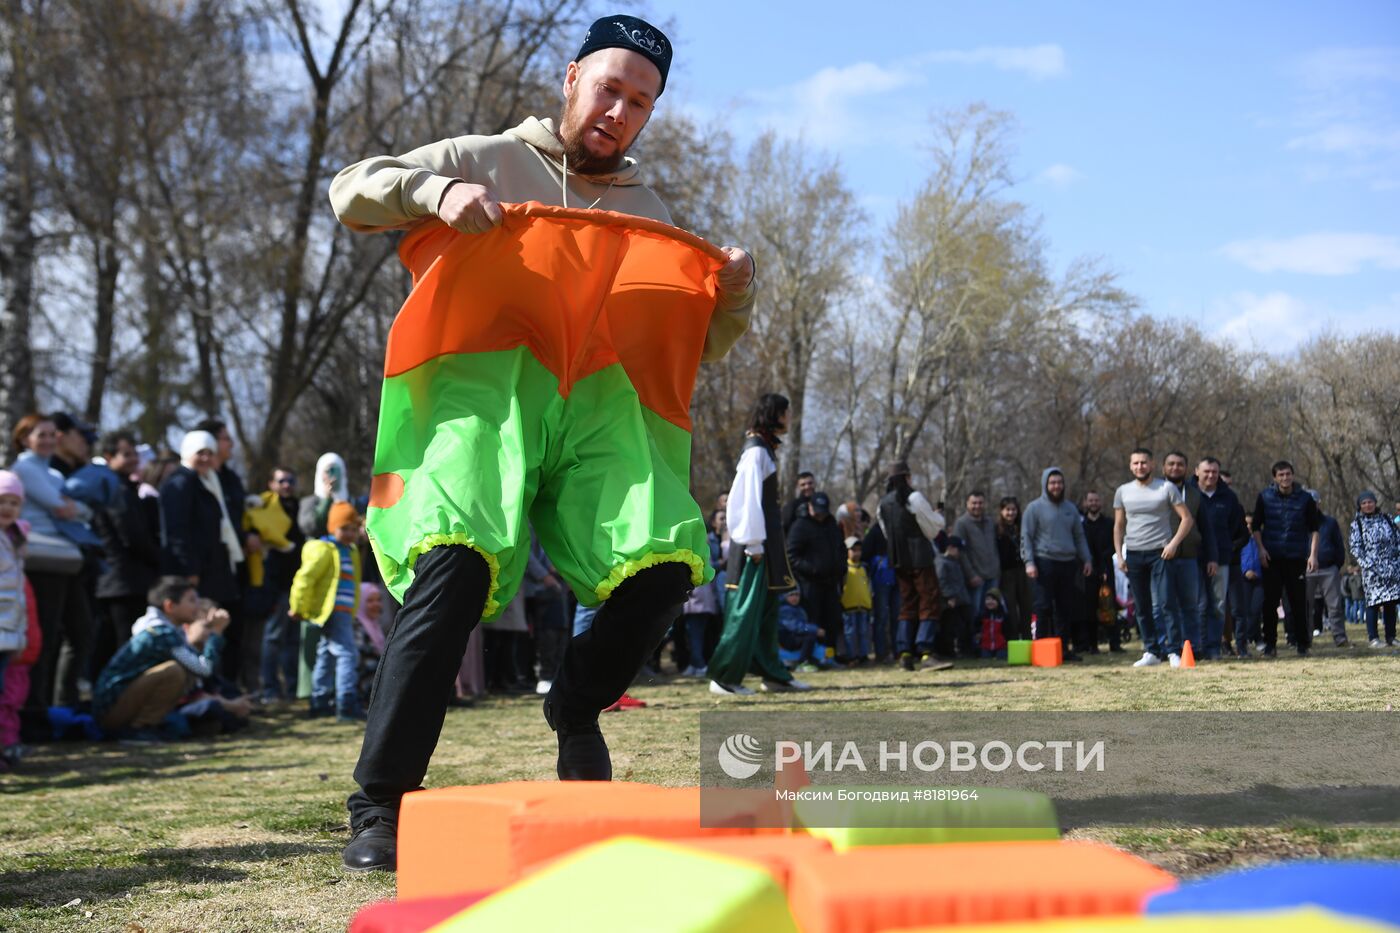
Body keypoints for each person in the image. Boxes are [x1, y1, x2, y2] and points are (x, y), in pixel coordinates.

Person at [329, 15, 758, 872]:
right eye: (609, 89)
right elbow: (351, 189)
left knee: (669, 558)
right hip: (485, 399)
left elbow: (698, 342)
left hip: (594, 409)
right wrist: (435, 194)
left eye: (640, 102)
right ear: (571, 79)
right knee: (451, 571)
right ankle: (381, 802)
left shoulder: (651, 211)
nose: (619, 112)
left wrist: (735, 294)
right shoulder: (489, 156)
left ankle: (576, 703)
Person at [709, 394, 808, 696]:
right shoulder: (755, 453)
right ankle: (724, 676)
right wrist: (753, 544)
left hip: (764, 547)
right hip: (754, 548)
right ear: (773, 414)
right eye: (786, 413)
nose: (790, 418)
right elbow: (744, 500)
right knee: (745, 610)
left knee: (766, 612)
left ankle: (772, 673)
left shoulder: (764, 450)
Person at [11, 414, 94, 718]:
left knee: (80, 630)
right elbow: (61, 507)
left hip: (67, 561)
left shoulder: (55, 475)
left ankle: (64, 703)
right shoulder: (24, 469)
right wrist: (72, 510)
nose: (48, 440)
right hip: (42, 562)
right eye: (40, 435)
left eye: (51, 434)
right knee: (44, 637)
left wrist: (75, 510)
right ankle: (35, 709)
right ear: (24, 439)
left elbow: (79, 510)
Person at [92, 577, 227, 744]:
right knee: (174, 671)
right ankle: (138, 729)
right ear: (170, 606)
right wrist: (215, 634)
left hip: (116, 707)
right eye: (192, 600)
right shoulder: (160, 633)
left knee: (181, 672)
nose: (197, 606)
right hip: (110, 711)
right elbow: (203, 669)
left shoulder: (167, 630)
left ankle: (147, 727)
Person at [85, 432, 162, 676]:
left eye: (135, 454)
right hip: (123, 582)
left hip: (122, 580)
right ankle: (118, 700)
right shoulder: (115, 489)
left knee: (110, 644)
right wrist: (160, 560)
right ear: (109, 457)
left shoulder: (124, 488)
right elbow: (132, 536)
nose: (133, 460)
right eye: (126, 454)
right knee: (124, 647)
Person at [1113, 448, 1194, 668]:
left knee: (1167, 603)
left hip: (1161, 553)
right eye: (1136, 463)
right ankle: (1151, 651)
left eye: (1144, 463)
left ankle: (1174, 651)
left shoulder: (1165, 488)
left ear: (1152, 464)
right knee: (1142, 606)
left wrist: (1173, 544)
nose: (1140, 466)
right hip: (1135, 554)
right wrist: (1120, 555)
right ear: (1131, 466)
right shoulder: (1123, 491)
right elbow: (1119, 525)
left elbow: (1186, 519)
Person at [194, 418, 257, 689]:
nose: (229, 444)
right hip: (209, 569)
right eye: (224, 438)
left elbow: (234, 518)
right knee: (211, 629)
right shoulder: (198, 478)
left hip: (235, 566)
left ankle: (231, 688)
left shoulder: (230, 478)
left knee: (235, 631)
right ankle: (212, 687)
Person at [288, 502, 365, 722]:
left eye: (353, 528)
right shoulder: (324, 549)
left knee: (327, 653)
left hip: (343, 611)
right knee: (347, 654)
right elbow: (306, 577)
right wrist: (298, 606)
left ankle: (319, 701)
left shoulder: (350, 551)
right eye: (344, 528)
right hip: (332, 611)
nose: (349, 534)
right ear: (332, 527)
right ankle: (346, 703)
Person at [878, 461, 952, 672]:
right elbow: (933, 527)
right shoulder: (914, 498)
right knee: (929, 601)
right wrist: (939, 516)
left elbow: (887, 533)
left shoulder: (882, 504)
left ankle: (905, 653)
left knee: (907, 605)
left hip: (898, 560)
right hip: (920, 557)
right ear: (907, 478)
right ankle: (926, 650)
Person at [159, 431, 241, 611]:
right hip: (194, 573)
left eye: (210, 453)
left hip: (212, 569)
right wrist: (190, 570)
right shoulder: (181, 483)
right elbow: (177, 529)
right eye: (200, 453)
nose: (206, 458)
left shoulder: (208, 482)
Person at [1021, 467, 1093, 662]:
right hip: (1044, 562)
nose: (1056, 486)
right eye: (1052, 483)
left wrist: (1087, 559)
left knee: (1064, 609)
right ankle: (1041, 650)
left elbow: (1079, 537)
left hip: (1068, 563)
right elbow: (1026, 536)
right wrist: (1029, 562)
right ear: (1045, 484)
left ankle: (1063, 649)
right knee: (1043, 607)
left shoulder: (1070, 508)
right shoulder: (1034, 508)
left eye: (1059, 483)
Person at [1252, 461, 1321, 657]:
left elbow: (1314, 529)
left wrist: (1313, 555)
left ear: (1293, 475)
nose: (1285, 478)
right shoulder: (1264, 497)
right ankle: (1270, 644)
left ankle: (1302, 643)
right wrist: (1261, 549)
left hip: (1296, 557)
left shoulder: (1305, 499)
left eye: (1288, 474)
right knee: (1270, 603)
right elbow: (1256, 526)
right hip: (1271, 558)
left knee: (1298, 602)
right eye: (1281, 475)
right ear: (1275, 478)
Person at [1191, 457, 1247, 660]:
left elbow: (1236, 528)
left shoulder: (1228, 497)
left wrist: (1226, 549)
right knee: (1199, 604)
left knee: (1218, 604)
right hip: (1193, 557)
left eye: (1214, 472)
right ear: (1197, 471)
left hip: (1221, 559)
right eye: (1206, 471)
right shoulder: (1188, 493)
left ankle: (1213, 647)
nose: (1210, 475)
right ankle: (1196, 646)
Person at [259, 468, 306, 702]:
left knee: (293, 639)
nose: (287, 485)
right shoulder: (262, 508)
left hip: (299, 583)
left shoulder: (300, 508)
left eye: (291, 480)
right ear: (271, 484)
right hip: (275, 584)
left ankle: (292, 689)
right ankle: (269, 689)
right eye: (281, 481)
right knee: (273, 637)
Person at [1161, 452, 1213, 658]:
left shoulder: (1194, 494)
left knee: (1191, 606)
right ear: (1163, 467)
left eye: (1180, 464)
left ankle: (1192, 648)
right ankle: (1165, 647)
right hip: (1162, 558)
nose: (1175, 468)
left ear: (1187, 468)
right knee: (1164, 605)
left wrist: (1212, 557)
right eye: (1171, 464)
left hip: (1190, 557)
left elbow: (1206, 529)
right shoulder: (1155, 491)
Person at [786, 492, 845, 661]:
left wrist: (841, 568)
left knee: (832, 620)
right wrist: (812, 569)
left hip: (831, 582)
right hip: (809, 583)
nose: (820, 514)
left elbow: (840, 549)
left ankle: (831, 655)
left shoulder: (832, 525)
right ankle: (812, 657)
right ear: (810, 507)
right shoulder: (800, 526)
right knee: (813, 620)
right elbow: (791, 556)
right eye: (817, 510)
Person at [1348, 490, 1399, 648]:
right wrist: (1368, 564)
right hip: (1372, 571)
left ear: (1375, 503)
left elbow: (1397, 539)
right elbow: (1356, 547)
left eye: (1370, 502)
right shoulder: (1357, 524)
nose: (1368, 505)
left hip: (1391, 567)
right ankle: (1374, 638)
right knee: (1373, 603)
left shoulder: (1387, 519)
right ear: (1360, 506)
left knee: (1391, 602)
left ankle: (1391, 636)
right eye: (1364, 503)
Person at [1305, 492, 1349, 648]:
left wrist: (1337, 565)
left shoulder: (1330, 522)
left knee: (1335, 605)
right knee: (1306, 606)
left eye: (1314, 502)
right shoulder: (1299, 522)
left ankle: (1340, 637)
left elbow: (1338, 544)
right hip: (1306, 570)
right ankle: (1306, 639)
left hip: (1329, 568)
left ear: (1319, 503)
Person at [1080, 491, 1120, 653]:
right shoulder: (1082, 526)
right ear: (1086, 503)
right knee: (1089, 608)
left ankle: (1114, 644)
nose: (1094, 503)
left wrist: (1104, 566)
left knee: (1109, 606)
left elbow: (1113, 545)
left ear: (1101, 502)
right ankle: (1093, 645)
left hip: (1106, 569)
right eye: (1091, 500)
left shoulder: (1109, 523)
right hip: (1088, 571)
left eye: (1096, 500)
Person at [953, 491, 1000, 616]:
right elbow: (960, 553)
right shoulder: (961, 524)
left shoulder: (990, 522)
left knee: (991, 614)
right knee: (975, 613)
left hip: (993, 576)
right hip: (976, 578)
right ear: (967, 504)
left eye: (980, 503)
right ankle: (972, 635)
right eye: (974, 503)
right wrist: (971, 575)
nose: (977, 506)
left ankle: (989, 636)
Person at [996, 497, 1031, 641]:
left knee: (1026, 606)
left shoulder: (1023, 526)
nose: (1011, 513)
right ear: (1002, 511)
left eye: (1013, 510)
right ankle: (1013, 639)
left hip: (1023, 571)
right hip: (1006, 572)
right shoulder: (996, 529)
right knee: (1010, 608)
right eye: (1007, 510)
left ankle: (1028, 637)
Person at [936, 536, 976, 658]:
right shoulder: (941, 562)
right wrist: (949, 596)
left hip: (962, 600)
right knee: (950, 628)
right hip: (951, 602)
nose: (960, 553)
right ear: (950, 548)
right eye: (958, 549)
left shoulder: (954, 562)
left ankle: (965, 650)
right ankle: (949, 651)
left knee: (965, 626)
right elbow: (942, 581)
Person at [1232, 514, 1264, 656]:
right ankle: (1245, 640)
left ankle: (1255, 637)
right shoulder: (1240, 539)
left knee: (1256, 610)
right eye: (1246, 524)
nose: (1249, 526)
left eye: (1251, 523)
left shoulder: (1260, 539)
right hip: (1244, 579)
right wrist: (1245, 571)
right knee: (1243, 612)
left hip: (1259, 580)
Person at [299, 452, 350, 539]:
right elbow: (310, 528)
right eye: (328, 471)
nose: (333, 476)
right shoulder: (308, 502)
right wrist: (326, 500)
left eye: (336, 470)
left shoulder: (351, 502)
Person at [840, 537, 873, 664]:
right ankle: (851, 656)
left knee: (863, 632)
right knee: (850, 632)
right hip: (848, 606)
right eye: (853, 550)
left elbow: (869, 586)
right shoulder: (844, 569)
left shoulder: (864, 568)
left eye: (859, 550)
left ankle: (863, 656)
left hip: (864, 605)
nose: (857, 553)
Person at [777, 589, 821, 672]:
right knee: (809, 638)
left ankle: (813, 659)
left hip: (794, 635)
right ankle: (803, 663)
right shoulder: (784, 610)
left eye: (797, 595)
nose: (795, 597)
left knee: (814, 637)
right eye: (791, 595)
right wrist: (815, 630)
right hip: (786, 637)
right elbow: (794, 627)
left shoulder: (799, 609)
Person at [976, 588, 1007, 659]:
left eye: (993, 599)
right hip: (985, 645)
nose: (990, 602)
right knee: (985, 658)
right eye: (987, 599)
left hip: (1000, 645)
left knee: (1002, 657)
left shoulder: (1003, 615)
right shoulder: (982, 615)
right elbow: (976, 627)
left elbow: (1007, 630)